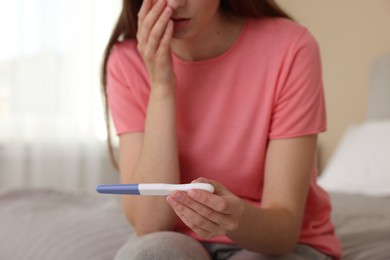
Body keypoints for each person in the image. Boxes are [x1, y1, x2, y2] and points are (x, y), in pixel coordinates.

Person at [101, 0, 342, 259]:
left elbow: (283, 232)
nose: (175, 3)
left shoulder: (291, 47)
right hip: (177, 239)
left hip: (274, 242)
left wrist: (232, 217)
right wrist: (162, 86)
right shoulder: (127, 60)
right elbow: (150, 223)